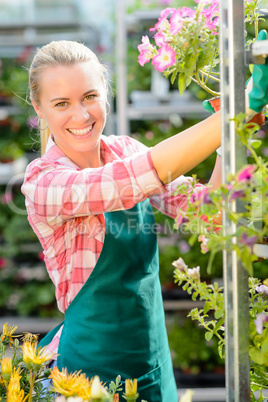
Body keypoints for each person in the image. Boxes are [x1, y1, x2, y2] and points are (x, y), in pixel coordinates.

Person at [21, 37, 268, 402]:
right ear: (39, 110)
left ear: (105, 91)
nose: (82, 115)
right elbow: (140, 175)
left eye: (90, 96)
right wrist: (234, 110)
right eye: (62, 104)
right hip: (86, 377)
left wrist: (226, 137)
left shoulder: (124, 150)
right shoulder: (43, 183)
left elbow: (208, 213)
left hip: (151, 367)